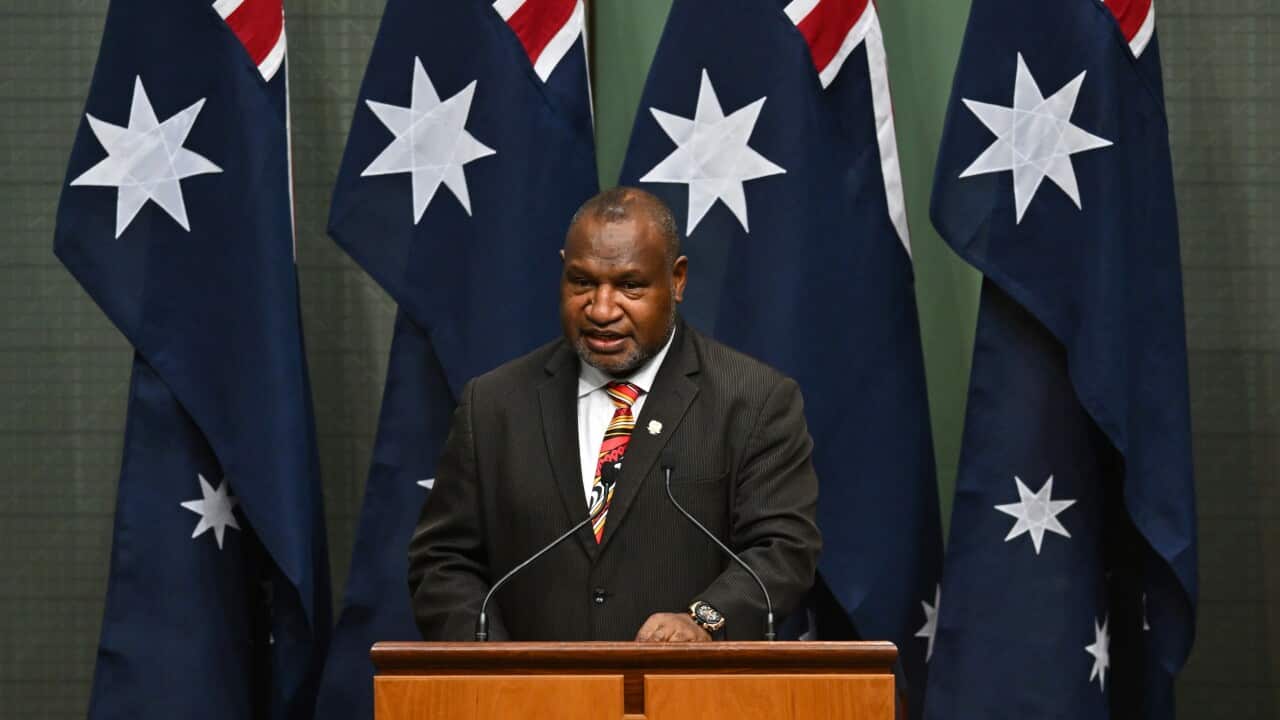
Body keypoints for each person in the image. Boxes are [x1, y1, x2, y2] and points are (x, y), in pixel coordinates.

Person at [408, 187, 821, 642]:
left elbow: (782, 550)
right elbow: (443, 561)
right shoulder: (493, 405)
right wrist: (496, 660)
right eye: (582, 282)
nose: (601, 310)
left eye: (629, 286)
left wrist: (705, 620)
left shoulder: (754, 400)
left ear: (677, 280)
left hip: (691, 699)